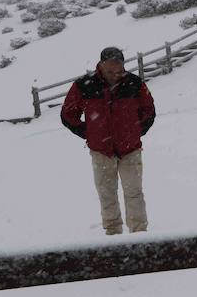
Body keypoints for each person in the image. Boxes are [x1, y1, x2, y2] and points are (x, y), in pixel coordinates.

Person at [61, 47, 156, 235]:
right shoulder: (84, 85)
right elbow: (68, 114)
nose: (116, 75)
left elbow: (149, 110)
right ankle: (113, 235)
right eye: (111, 71)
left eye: (119, 70)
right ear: (101, 65)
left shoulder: (134, 83)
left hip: (131, 151)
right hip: (101, 152)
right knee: (107, 195)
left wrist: (135, 132)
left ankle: (139, 235)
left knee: (134, 193)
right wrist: (89, 133)